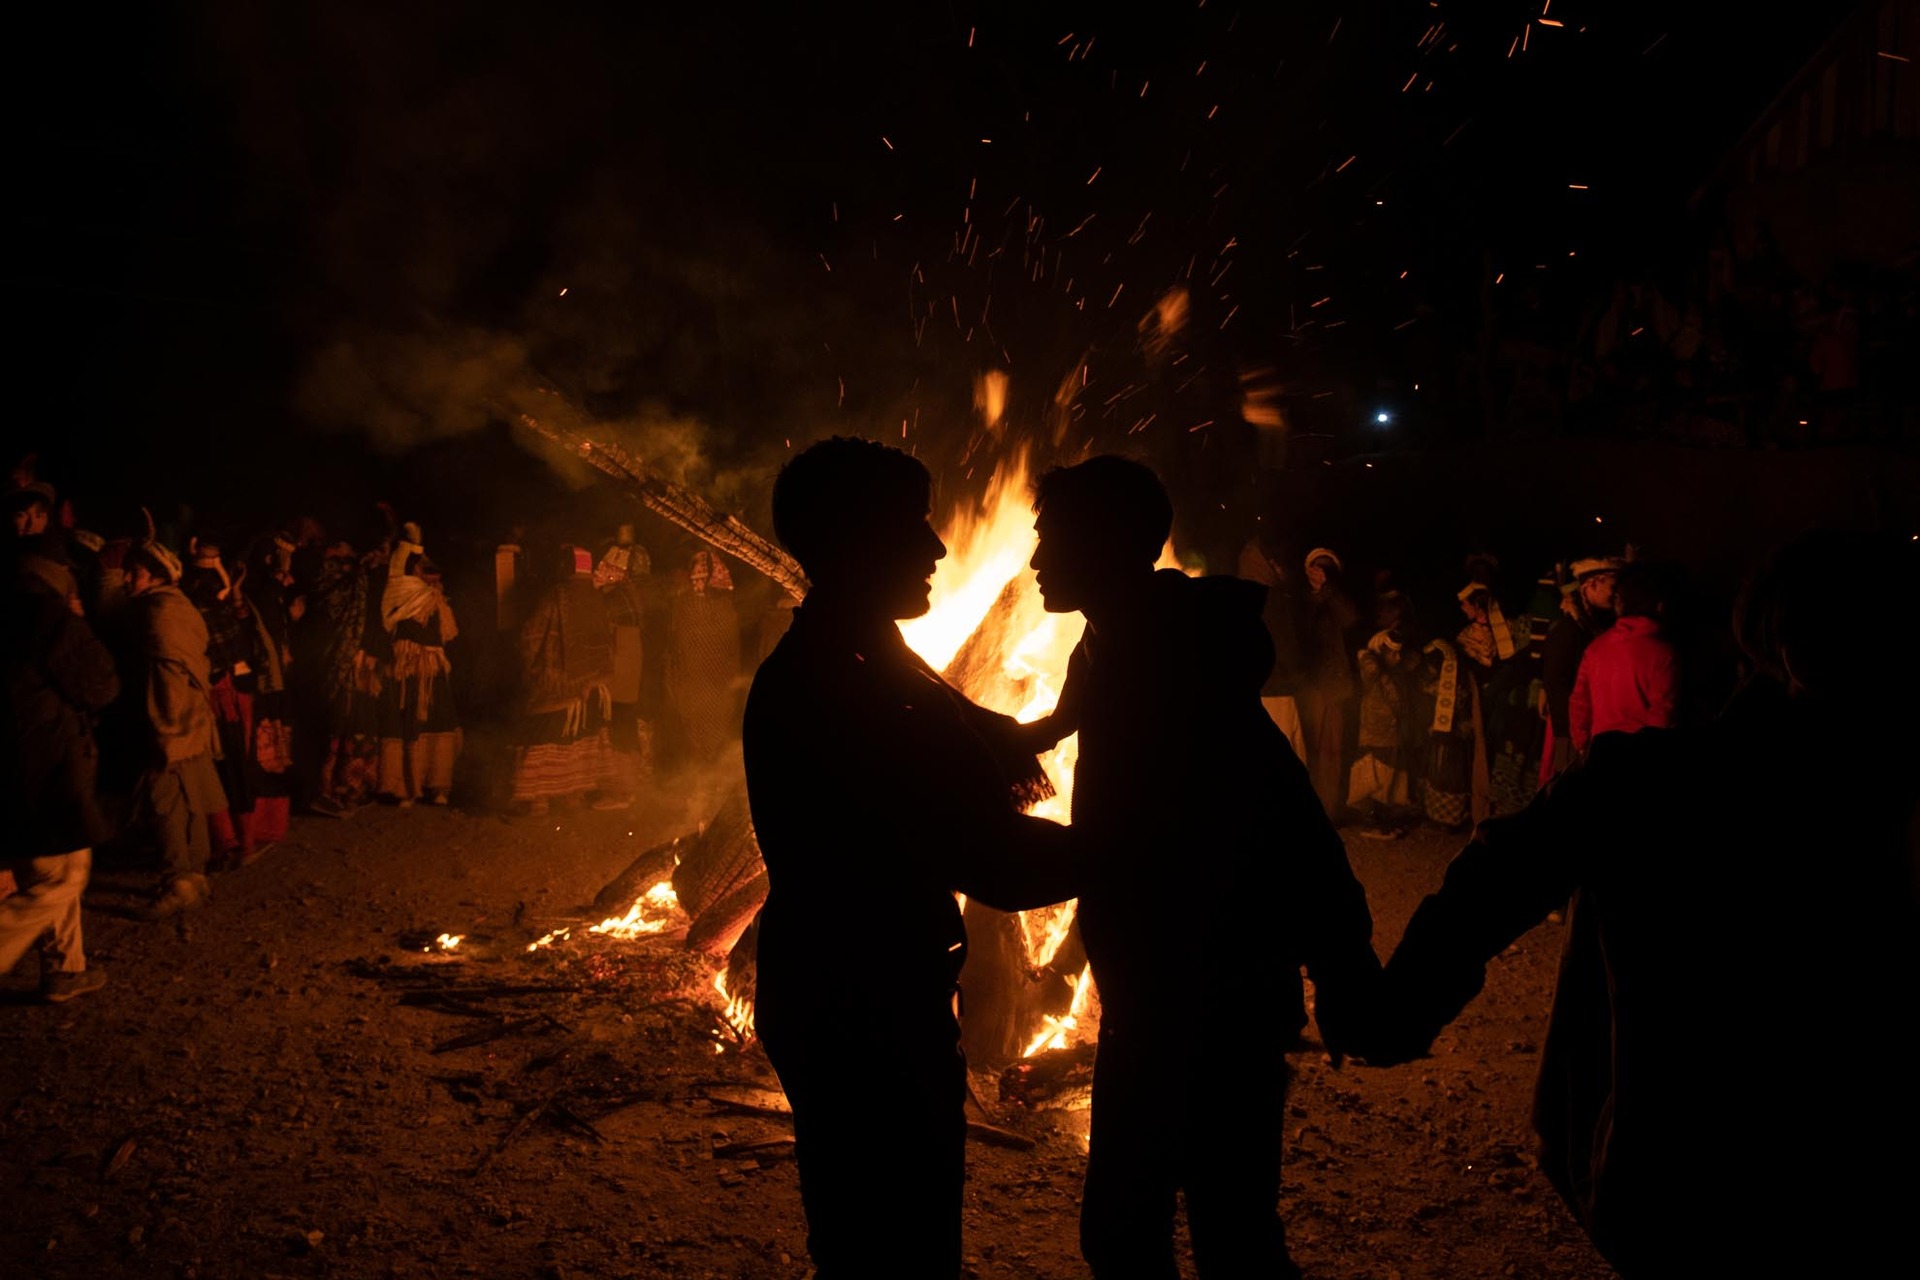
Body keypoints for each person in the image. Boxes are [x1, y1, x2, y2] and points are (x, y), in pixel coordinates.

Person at [1360, 529, 1920, 1276]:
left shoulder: (1648, 783)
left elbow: (1496, 876)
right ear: (1805, 657)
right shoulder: (1845, 798)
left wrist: (1391, 1012)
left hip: (1674, 1174)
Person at [1024, 457, 1379, 1280]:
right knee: (1140, 1227)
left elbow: (1282, 810)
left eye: (1050, 541)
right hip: (1146, 989)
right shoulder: (1107, 643)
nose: (1036, 561)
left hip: (1215, 991)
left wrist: (1344, 966)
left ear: (1107, 545)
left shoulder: (1177, 660)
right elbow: (1045, 742)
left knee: (1214, 1230)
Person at [743, 437, 1082, 1278]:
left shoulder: (866, 655)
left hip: (854, 990)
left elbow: (977, 734)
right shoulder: (845, 684)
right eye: (912, 526)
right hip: (860, 1007)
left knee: (879, 1239)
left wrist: (1070, 718)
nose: (935, 548)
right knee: (894, 1250)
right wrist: (1145, 851)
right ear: (854, 541)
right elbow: (991, 859)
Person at [1, 537, 119, 1000]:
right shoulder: (48, 619)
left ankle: (65, 968)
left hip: (22, 765)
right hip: (43, 767)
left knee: (64, 861)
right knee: (59, 878)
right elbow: (101, 684)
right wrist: (80, 623)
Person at [121, 538, 227, 919]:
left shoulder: (156, 612)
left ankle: (178, 878)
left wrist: (163, 724)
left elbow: (160, 671)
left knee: (165, 797)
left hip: (170, 714)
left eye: (134, 572)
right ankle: (194, 873)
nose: (127, 578)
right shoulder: (179, 606)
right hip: (190, 714)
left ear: (156, 576)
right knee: (189, 793)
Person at [509, 545, 621, 813]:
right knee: (582, 736)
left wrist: (532, 667)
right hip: (592, 688)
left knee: (547, 737)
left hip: (557, 686)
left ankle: (540, 799)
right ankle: (574, 795)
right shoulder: (596, 597)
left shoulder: (555, 595)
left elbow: (532, 634)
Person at [378, 526, 462, 805]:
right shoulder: (399, 590)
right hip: (409, 667)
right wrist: (413, 542)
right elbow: (397, 566)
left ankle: (438, 787)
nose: (432, 578)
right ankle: (408, 788)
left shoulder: (434, 598)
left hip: (432, 667)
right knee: (410, 723)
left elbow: (447, 635)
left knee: (437, 721)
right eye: (426, 572)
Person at [1569, 562, 1679, 754]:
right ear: (1661, 606)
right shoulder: (1664, 654)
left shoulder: (1596, 649)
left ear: (1620, 603)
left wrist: (1582, 745)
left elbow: (1579, 702)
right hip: (1637, 757)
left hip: (1599, 753)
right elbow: (1662, 713)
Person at [1539, 557, 1620, 782]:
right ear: (1590, 585)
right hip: (1571, 728)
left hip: (1596, 726)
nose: (1617, 593)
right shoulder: (1568, 630)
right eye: (1612, 587)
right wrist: (1569, 737)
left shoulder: (1602, 627)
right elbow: (1556, 686)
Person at [665, 548, 741, 781]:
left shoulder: (706, 605)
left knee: (708, 730)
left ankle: (707, 780)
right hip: (697, 680)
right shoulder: (687, 603)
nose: (696, 577)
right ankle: (702, 781)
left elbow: (730, 648)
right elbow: (675, 641)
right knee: (699, 729)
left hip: (710, 681)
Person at [1299, 547, 1359, 821]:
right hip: (1310, 686)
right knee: (1309, 748)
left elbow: (1350, 620)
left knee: (1333, 750)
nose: (1319, 571)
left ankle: (1330, 810)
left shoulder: (1338, 599)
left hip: (1334, 687)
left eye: (1325, 568)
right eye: (1316, 566)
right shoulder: (1302, 602)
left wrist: (1328, 591)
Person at [593, 530, 653, 807]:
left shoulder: (618, 598)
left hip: (620, 674)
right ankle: (624, 787)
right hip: (624, 672)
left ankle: (621, 791)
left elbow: (613, 633)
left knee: (620, 726)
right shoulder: (627, 594)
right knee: (622, 723)